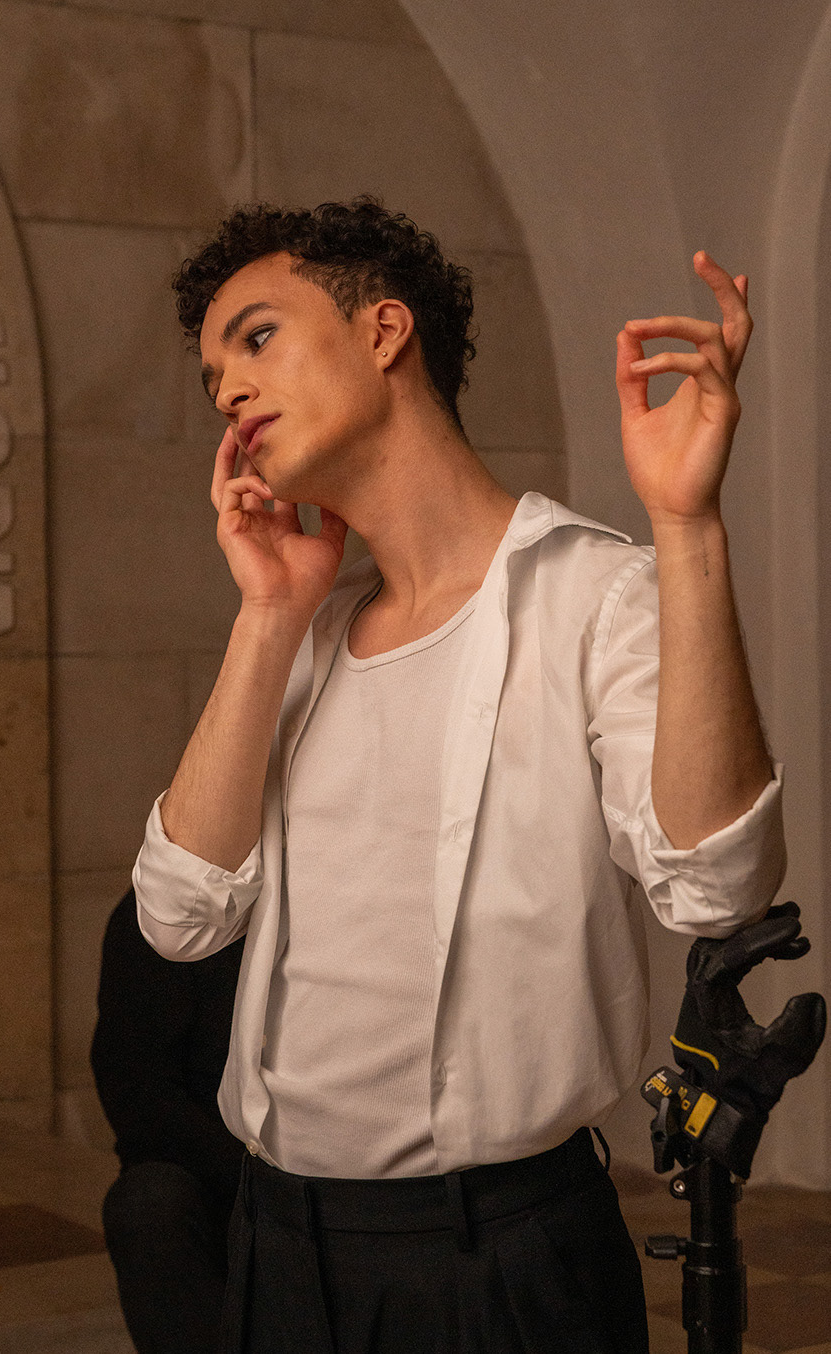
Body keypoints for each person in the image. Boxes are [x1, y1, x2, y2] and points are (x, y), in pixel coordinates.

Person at [132, 198, 785, 1353]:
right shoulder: (305, 635)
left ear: (384, 330)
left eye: (257, 338)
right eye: (213, 378)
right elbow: (179, 917)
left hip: (501, 1268)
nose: (227, 392)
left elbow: (714, 888)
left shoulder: (596, 596)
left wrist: (685, 525)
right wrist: (268, 611)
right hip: (276, 1253)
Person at [91, 886, 245, 1354]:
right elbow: (140, 1098)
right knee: (148, 1205)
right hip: (216, 1176)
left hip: (326, 1175)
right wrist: (257, 1177)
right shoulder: (160, 912)